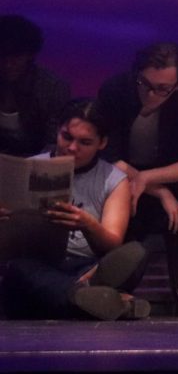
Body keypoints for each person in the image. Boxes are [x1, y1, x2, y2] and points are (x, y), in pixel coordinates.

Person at [1, 100, 149, 320]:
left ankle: (87, 292)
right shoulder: (29, 167)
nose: (72, 148)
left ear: (102, 143)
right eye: (66, 137)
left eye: (85, 142)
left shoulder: (114, 180)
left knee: (136, 255)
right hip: (36, 264)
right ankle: (92, 297)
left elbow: (112, 243)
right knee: (18, 270)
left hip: (85, 266)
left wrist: (87, 224)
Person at [96, 42, 178, 311]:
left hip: (175, 187)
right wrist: (160, 191)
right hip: (128, 186)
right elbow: (108, 155)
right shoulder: (117, 91)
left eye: (163, 89)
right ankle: (111, 291)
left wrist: (150, 178)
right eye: (146, 84)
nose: (151, 94)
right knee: (117, 192)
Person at [0, 15, 69, 157]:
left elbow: (55, 142)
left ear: (30, 55)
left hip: (36, 164)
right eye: (2, 56)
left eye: (16, 57)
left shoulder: (52, 88)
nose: (8, 64)